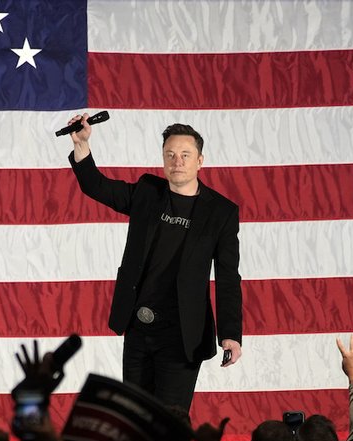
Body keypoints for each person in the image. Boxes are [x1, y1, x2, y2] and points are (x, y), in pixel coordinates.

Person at [66, 114, 243, 410]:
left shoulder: (221, 212)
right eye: (170, 154)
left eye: (185, 155)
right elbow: (96, 186)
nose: (177, 161)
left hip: (183, 335)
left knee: (170, 423)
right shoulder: (147, 192)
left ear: (200, 161)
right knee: (134, 417)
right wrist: (82, 145)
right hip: (139, 328)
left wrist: (230, 334)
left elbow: (227, 277)